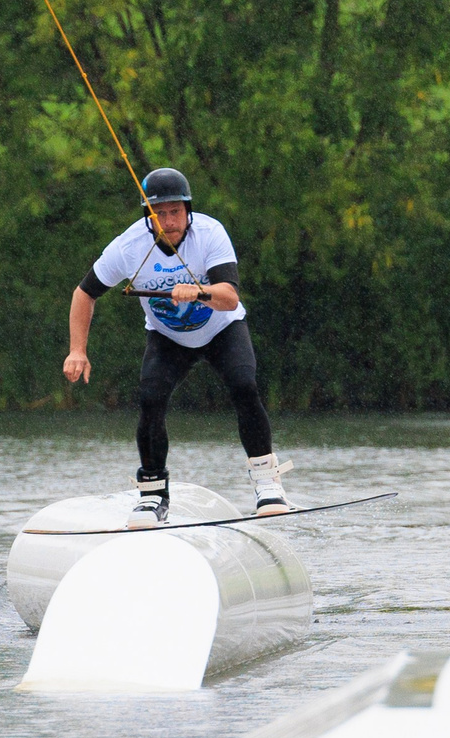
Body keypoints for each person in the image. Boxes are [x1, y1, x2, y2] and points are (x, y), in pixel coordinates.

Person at [63, 167, 288, 526]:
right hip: (168, 337)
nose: (169, 222)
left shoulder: (210, 234)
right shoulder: (128, 246)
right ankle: (153, 494)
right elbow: (84, 293)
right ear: (148, 218)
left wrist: (199, 291)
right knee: (151, 397)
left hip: (221, 328)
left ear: (187, 211)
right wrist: (78, 349)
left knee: (244, 385)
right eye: (159, 214)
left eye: (175, 212)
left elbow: (229, 298)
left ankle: (267, 483)